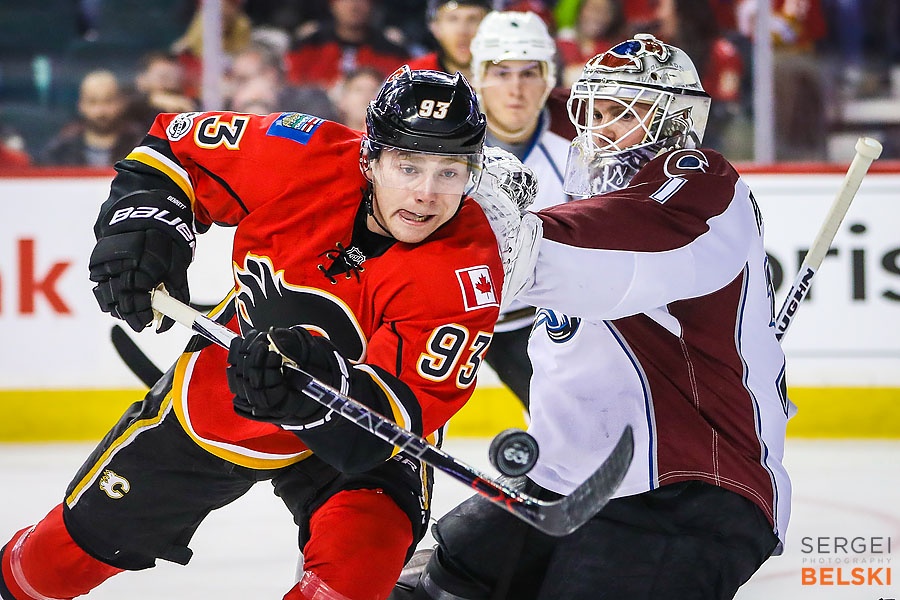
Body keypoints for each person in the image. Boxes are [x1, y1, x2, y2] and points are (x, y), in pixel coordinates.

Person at [0, 67, 503, 600]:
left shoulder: (467, 272)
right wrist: (146, 223)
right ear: (370, 158)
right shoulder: (303, 154)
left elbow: (398, 416)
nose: (427, 194)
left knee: (353, 576)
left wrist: (318, 400)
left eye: (450, 171)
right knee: (54, 563)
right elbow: (173, 147)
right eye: (408, 166)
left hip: (358, 433)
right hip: (225, 394)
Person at [398, 33, 793, 599]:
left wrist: (504, 233)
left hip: (686, 488)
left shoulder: (700, 182)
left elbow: (615, 250)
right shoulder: (580, 198)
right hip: (562, 482)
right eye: (596, 112)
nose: (601, 129)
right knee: (423, 586)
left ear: (676, 119)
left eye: (624, 113)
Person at [468, 10, 571, 406]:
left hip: (542, 320)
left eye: (529, 73)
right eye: (501, 72)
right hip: (453, 314)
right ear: (478, 76)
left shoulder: (584, 139)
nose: (516, 89)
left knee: (565, 423)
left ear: (548, 78)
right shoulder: (447, 141)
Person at [285, 0, 409, 89]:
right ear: (332, 4)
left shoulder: (393, 52)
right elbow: (293, 87)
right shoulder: (309, 45)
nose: (353, 5)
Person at [41, 70, 144, 167]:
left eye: (108, 101)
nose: (101, 110)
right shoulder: (60, 150)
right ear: (80, 105)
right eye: (92, 102)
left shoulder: (140, 147)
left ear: (121, 103)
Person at [407, 0, 492, 80]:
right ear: (435, 27)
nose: (462, 31)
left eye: (473, 19)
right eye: (452, 19)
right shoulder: (414, 77)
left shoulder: (503, 76)